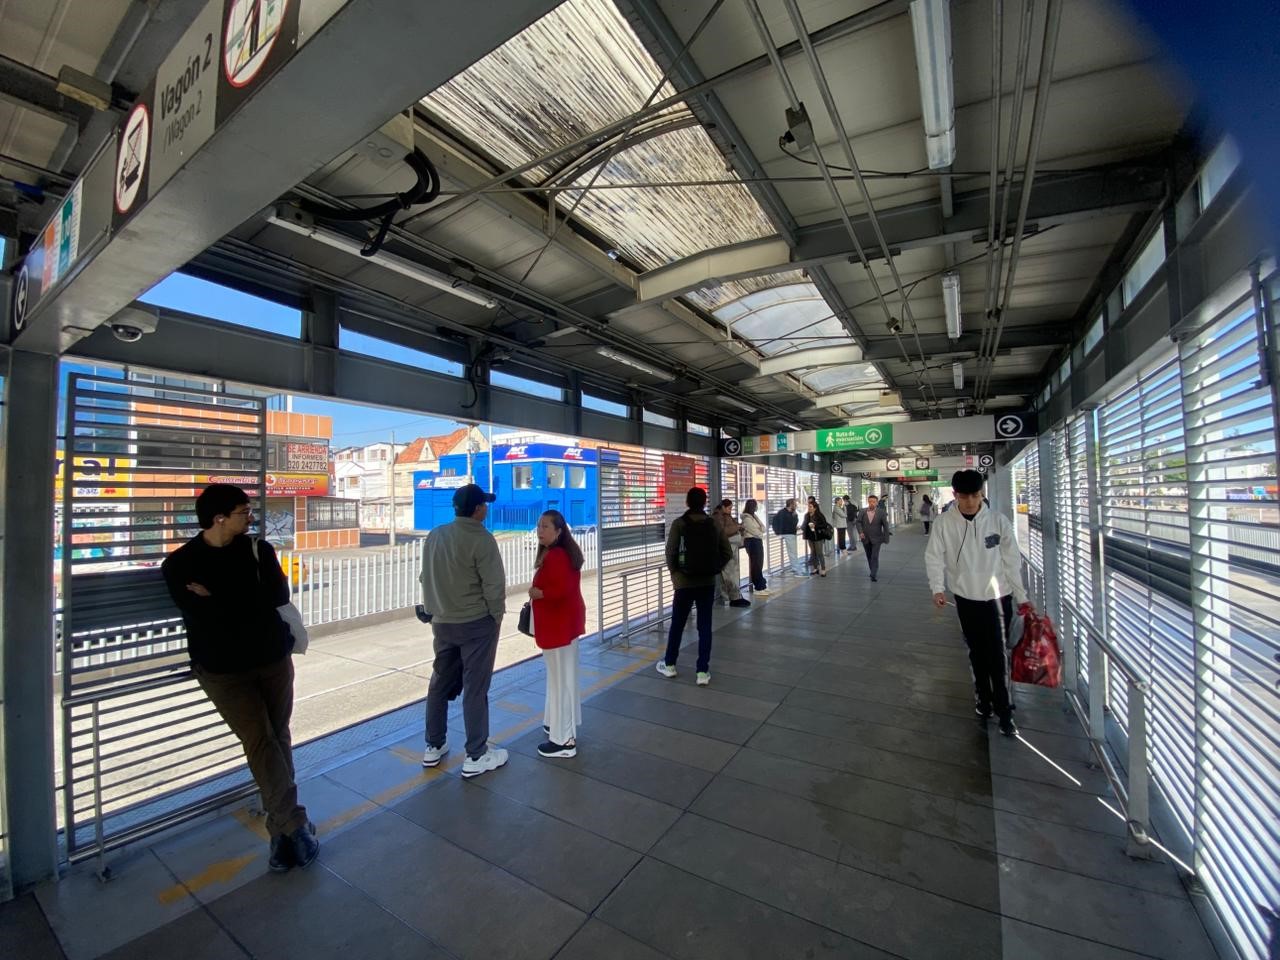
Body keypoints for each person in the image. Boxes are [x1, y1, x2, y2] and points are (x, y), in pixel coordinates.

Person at [161, 484, 318, 873]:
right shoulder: (179, 564)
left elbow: (276, 596)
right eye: (242, 511)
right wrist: (241, 600)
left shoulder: (258, 549)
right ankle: (293, 825)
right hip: (222, 670)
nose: (250, 517)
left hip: (272, 659)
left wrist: (216, 598)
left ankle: (282, 835)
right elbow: (204, 616)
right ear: (218, 518)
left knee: (278, 735)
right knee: (261, 739)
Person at [926, 470, 1032, 737]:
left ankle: (1005, 710)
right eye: (966, 496)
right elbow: (934, 557)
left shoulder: (998, 521)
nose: (972, 501)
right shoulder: (943, 523)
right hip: (965, 598)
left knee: (998, 654)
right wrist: (937, 588)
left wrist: (1022, 598)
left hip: (998, 598)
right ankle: (983, 701)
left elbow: (1011, 562)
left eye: (976, 495)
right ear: (956, 495)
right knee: (976, 653)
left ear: (982, 493)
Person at [419, 483, 509, 778]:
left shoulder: (435, 535)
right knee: (475, 687)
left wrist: (436, 609)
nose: (487, 508)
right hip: (476, 625)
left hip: (442, 624)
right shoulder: (482, 540)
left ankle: (434, 746)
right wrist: (495, 617)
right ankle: (476, 754)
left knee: (439, 683)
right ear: (477, 509)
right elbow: (494, 586)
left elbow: (425, 577)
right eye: (484, 504)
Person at [657, 487, 732, 686]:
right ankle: (702, 672)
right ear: (705, 502)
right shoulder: (714, 524)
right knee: (704, 626)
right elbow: (727, 552)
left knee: (678, 625)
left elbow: (670, 552)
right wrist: (715, 569)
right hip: (707, 583)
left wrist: (675, 575)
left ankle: (670, 665)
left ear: (687, 503)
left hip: (684, 583)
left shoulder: (679, 524)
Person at [529, 510, 586, 759]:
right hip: (564, 626)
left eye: (545, 527)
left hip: (558, 627)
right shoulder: (563, 553)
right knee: (561, 678)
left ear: (559, 531)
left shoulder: (556, 556)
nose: (540, 530)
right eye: (539, 526)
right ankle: (556, 722)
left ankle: (564, 741)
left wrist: (537, 593)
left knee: (561, 680)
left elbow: (560, 590)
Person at [712, 498, 751, 608]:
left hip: (731, 548)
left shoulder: (725, 516)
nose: (730, 510)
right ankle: (734, 598)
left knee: (731, 573)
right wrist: (737, 527)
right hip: (726, 549)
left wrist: (739, 528)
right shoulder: (718, 517)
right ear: (723, 507)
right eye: (729, 508)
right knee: (729, 574)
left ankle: (732, 597)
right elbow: (723, 531)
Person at [856, 494, 892, 582]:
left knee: (874, 556)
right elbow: (858, 522)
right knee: (869, 556)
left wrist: (886, 538)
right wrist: (860, 532)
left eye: (873, 502)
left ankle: (873, 574)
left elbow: (885, 526)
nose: (871, 503)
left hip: (877, 538)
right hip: (865, 538)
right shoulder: (862, 511)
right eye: (870, 501)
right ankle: (872, 569)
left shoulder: (881, 512)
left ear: (876, 503)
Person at [740, 499, 769, 596]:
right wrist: (760, 533)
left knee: (759, 563)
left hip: (757, 541)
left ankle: (762, 585)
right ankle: (758, 587)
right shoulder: (746, 518)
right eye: (755, 505)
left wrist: (760, 532)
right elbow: (755, 531)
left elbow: (763, 528)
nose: (757, 507)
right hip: (752, 542)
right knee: (756, 564)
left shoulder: (754, 516)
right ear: (752, 506)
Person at [770, 498, 805, 576]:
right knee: (793, 552)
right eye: (795, 504)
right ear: (791, 504)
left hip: (791, 533)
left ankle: (795, 567)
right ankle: (797, 569)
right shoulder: (782, 513)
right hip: (788, 534)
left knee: (793, 552)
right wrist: (778, 532)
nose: (796, 505)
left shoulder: (792, 513)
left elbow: (793, 523)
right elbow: (775, 522)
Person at [802, 501, 831, 576]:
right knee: (813, 552)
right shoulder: (807, 515)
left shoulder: (819, 515)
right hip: (810, 536)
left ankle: (823, 569)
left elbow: (824, 525)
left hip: (818, 536)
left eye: (810, 507)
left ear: (815, 508)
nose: (809, 508)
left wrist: (816, 526)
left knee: (819, 553)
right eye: (808, 506)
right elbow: (804, 524)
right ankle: (815, 568)